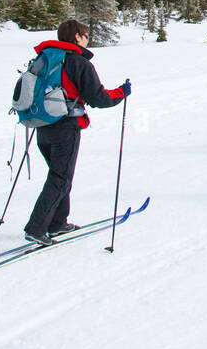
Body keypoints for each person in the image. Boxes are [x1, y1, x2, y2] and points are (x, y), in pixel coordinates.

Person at [24, 19, 130, 246]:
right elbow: (98, 98)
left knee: (59, 175)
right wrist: (122, 92)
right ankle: (36, 227)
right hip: (66, 127)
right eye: (85, 34)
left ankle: (57, 223)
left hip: (41, 125)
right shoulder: (78, 62)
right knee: (60, 178)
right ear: (77, 37)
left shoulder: (45, 58)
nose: (87, 38)